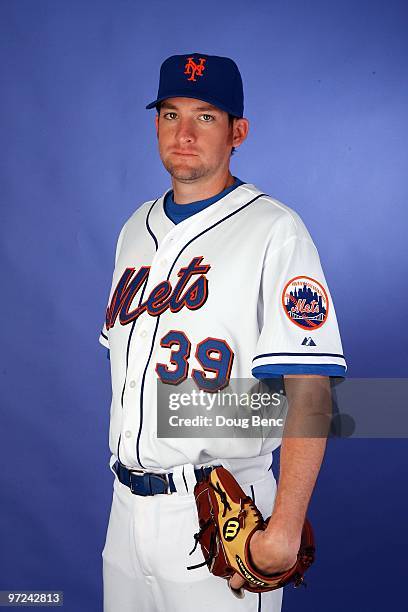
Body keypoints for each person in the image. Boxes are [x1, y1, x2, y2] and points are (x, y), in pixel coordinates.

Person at [99, 53, 347, 612]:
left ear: (238, 131)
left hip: (222, 515)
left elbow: (310, 389)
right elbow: (132, 381)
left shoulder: (275, 230)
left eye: (205, 117)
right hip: (125, 512)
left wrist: (285, 526)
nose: (183, 133)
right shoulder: (134, 229)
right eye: (170, 114)